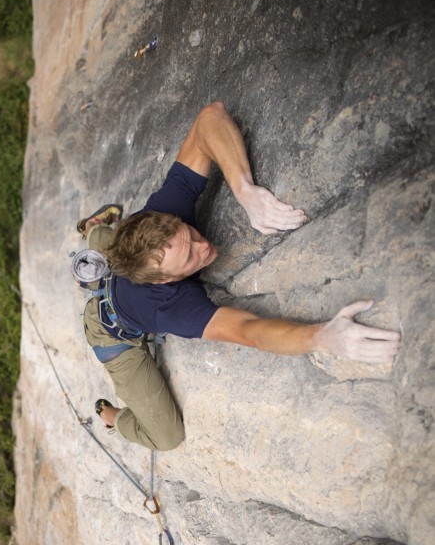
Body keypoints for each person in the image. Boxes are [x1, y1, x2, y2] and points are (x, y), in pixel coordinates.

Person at [79, 101, 401, 451]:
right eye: (190, 257)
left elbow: (210, 117)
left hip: (117, 262)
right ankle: (112, 417)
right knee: (167, 438)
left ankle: (94, 227)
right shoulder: (171, 308)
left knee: (109, 249)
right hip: (114, 334)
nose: (204, 247)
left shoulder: (163, 216)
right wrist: (323, 337)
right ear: (161, 281)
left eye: (190, 232)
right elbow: (250, 331)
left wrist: (245, 189)